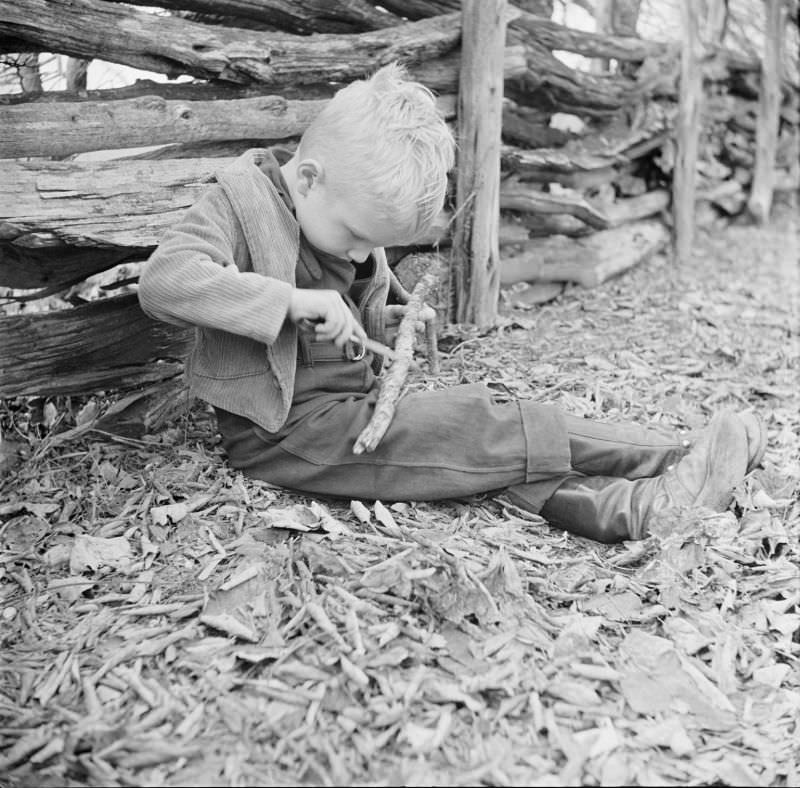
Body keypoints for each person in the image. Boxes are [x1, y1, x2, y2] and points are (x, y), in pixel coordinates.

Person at [138, 63, 766, 544]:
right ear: (308, 178)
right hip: (284, 436)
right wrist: (287, 300)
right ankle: (671, 470)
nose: (361, 256)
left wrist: (384, 321)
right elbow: (165, 280)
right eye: (357, 236)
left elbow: (336, 321)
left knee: (478, 445)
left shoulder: (333, 218)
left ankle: (659, 489)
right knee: (473, 426)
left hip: (349, 414)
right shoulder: (239, 200)